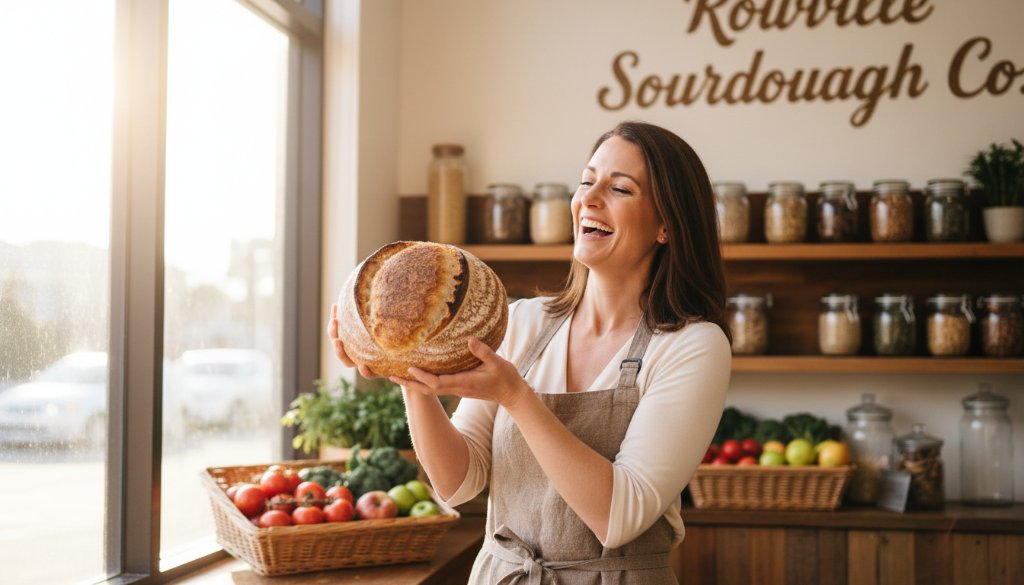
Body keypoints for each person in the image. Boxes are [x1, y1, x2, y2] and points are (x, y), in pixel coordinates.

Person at [328, 121, 731, 584]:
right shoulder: (524, 322)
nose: (589, 198)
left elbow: (619, 516)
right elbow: (458, 482)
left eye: (619, 188)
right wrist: (411, 376)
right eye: (586, 180)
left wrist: (517, 398)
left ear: (666, 225)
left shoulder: (692, 345)